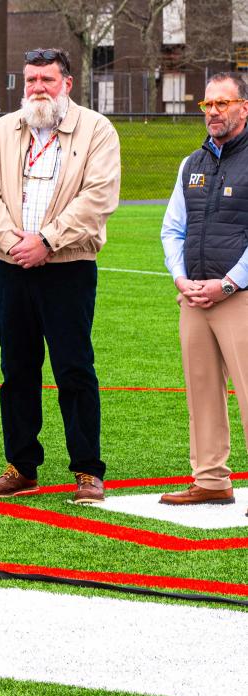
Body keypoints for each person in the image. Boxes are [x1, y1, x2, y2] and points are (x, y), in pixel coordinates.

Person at [0, 48, 121, 504]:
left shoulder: (97, 130)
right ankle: (21, 466)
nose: (38, 88)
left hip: (68, 267)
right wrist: (14, 242)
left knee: (73, 367)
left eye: (47, 80)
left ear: (67, 84)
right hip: (10, 265)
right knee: (16, 368)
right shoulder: (4, 130)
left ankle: (87, 471)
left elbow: (97, 197)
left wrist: (48, 241)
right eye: (31, 80)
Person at [157, 73, 248, 507]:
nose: (213, 111)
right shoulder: (191, 163)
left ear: (243, 108)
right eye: (207, 105)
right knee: (202, 390)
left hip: (240, 296)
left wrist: (230, 282)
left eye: (223, 103)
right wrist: (181, 279)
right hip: (194, 296)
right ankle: (211, 479)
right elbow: (172, 228)